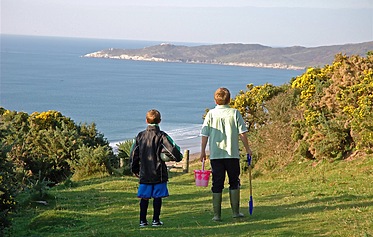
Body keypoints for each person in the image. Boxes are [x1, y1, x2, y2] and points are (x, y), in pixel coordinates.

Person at [200, 87, 252, 221]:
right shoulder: (234, 113)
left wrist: (202, 152)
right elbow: (242, 133)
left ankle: (217, 215)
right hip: (232, 154)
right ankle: (236, 212)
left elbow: (204, 134)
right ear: (229, 99)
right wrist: (248, 149)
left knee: (217, 183)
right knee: (234, 181)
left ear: (215, 100)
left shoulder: (211, 114)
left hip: (216, 155)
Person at [130, 109, 183, 227]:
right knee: (157, 197)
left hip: (144, 173)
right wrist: (178, 158)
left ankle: (142, 221)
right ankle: (155, 220)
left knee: (144, 197)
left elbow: (134, 154)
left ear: (146, 120)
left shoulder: (140, 136)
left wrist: (134, 169)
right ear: (160, 121)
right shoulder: (162, 136)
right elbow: (174, 150)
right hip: (159, 172)